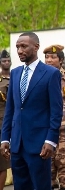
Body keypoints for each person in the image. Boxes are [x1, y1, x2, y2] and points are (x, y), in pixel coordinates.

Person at [0, 32, 63, 190]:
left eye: (23, 46)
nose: (20, 50)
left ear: (36, 47)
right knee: (20, 186)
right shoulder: (15, 73)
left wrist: (50, 140)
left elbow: (56, 111)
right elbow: (11, 110)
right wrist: (5, 139)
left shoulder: (50, 73)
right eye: (17, 47)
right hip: (17, 145)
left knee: (41, 187)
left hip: (40, 145)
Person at [43, 44, 65, 190]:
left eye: (53, 57)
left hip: (64, 128)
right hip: (45, 128)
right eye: (47, 57)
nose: (49, 60)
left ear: (61, 60)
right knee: (47, 170)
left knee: (64, 167)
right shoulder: (40, 76)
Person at [0, 50, 11, 190]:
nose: (6, 63)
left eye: (8, 60)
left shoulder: (15, 77)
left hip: (6, 126)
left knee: (3, 163)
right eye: (4, 61)